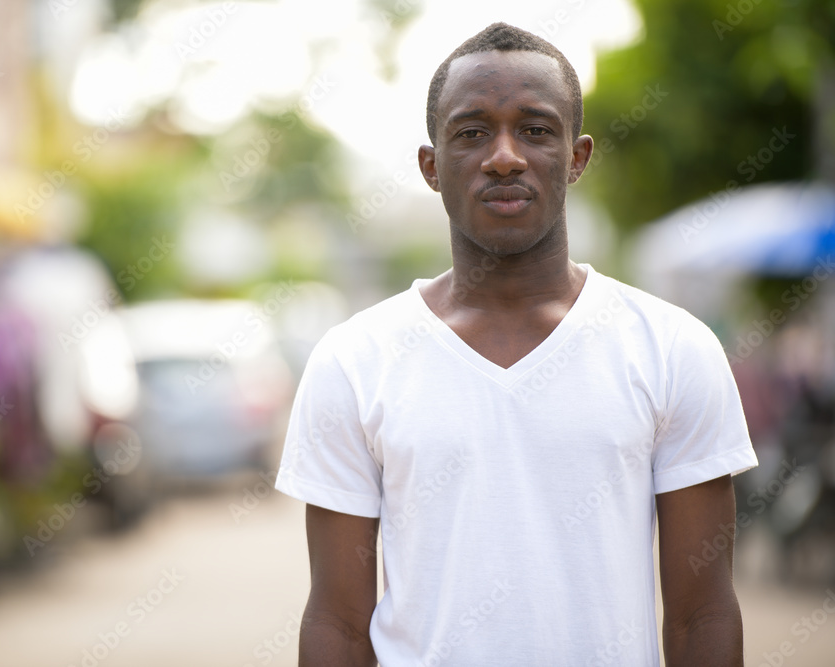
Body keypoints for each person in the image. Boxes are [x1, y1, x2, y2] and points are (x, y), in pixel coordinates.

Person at [275, 21, 758, 666]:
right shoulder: (354, 362)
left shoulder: (672, 349)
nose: (505, 156)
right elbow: (336, 622)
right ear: (431, 166)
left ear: (577, 157)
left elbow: (703, 616)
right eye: (472, 133)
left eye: (535, 129)